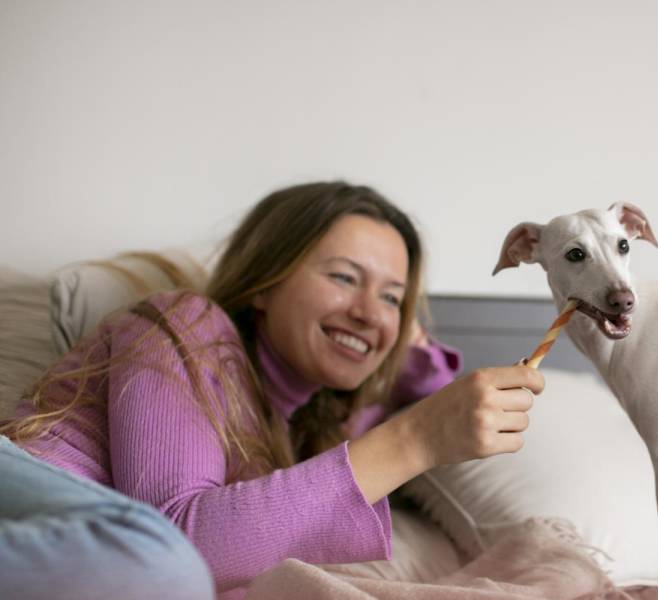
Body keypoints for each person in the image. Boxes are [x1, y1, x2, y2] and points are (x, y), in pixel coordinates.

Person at [0, 181, 544, 599]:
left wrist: (409, 357)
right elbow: (182, 541)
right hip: (31, 501)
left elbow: (412, 392)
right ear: (267, 282)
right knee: (163, 568)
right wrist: (415, 438)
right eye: (344, 277)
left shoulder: (307, 423)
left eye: (392, 298)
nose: (368, 312)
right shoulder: (186, 325)